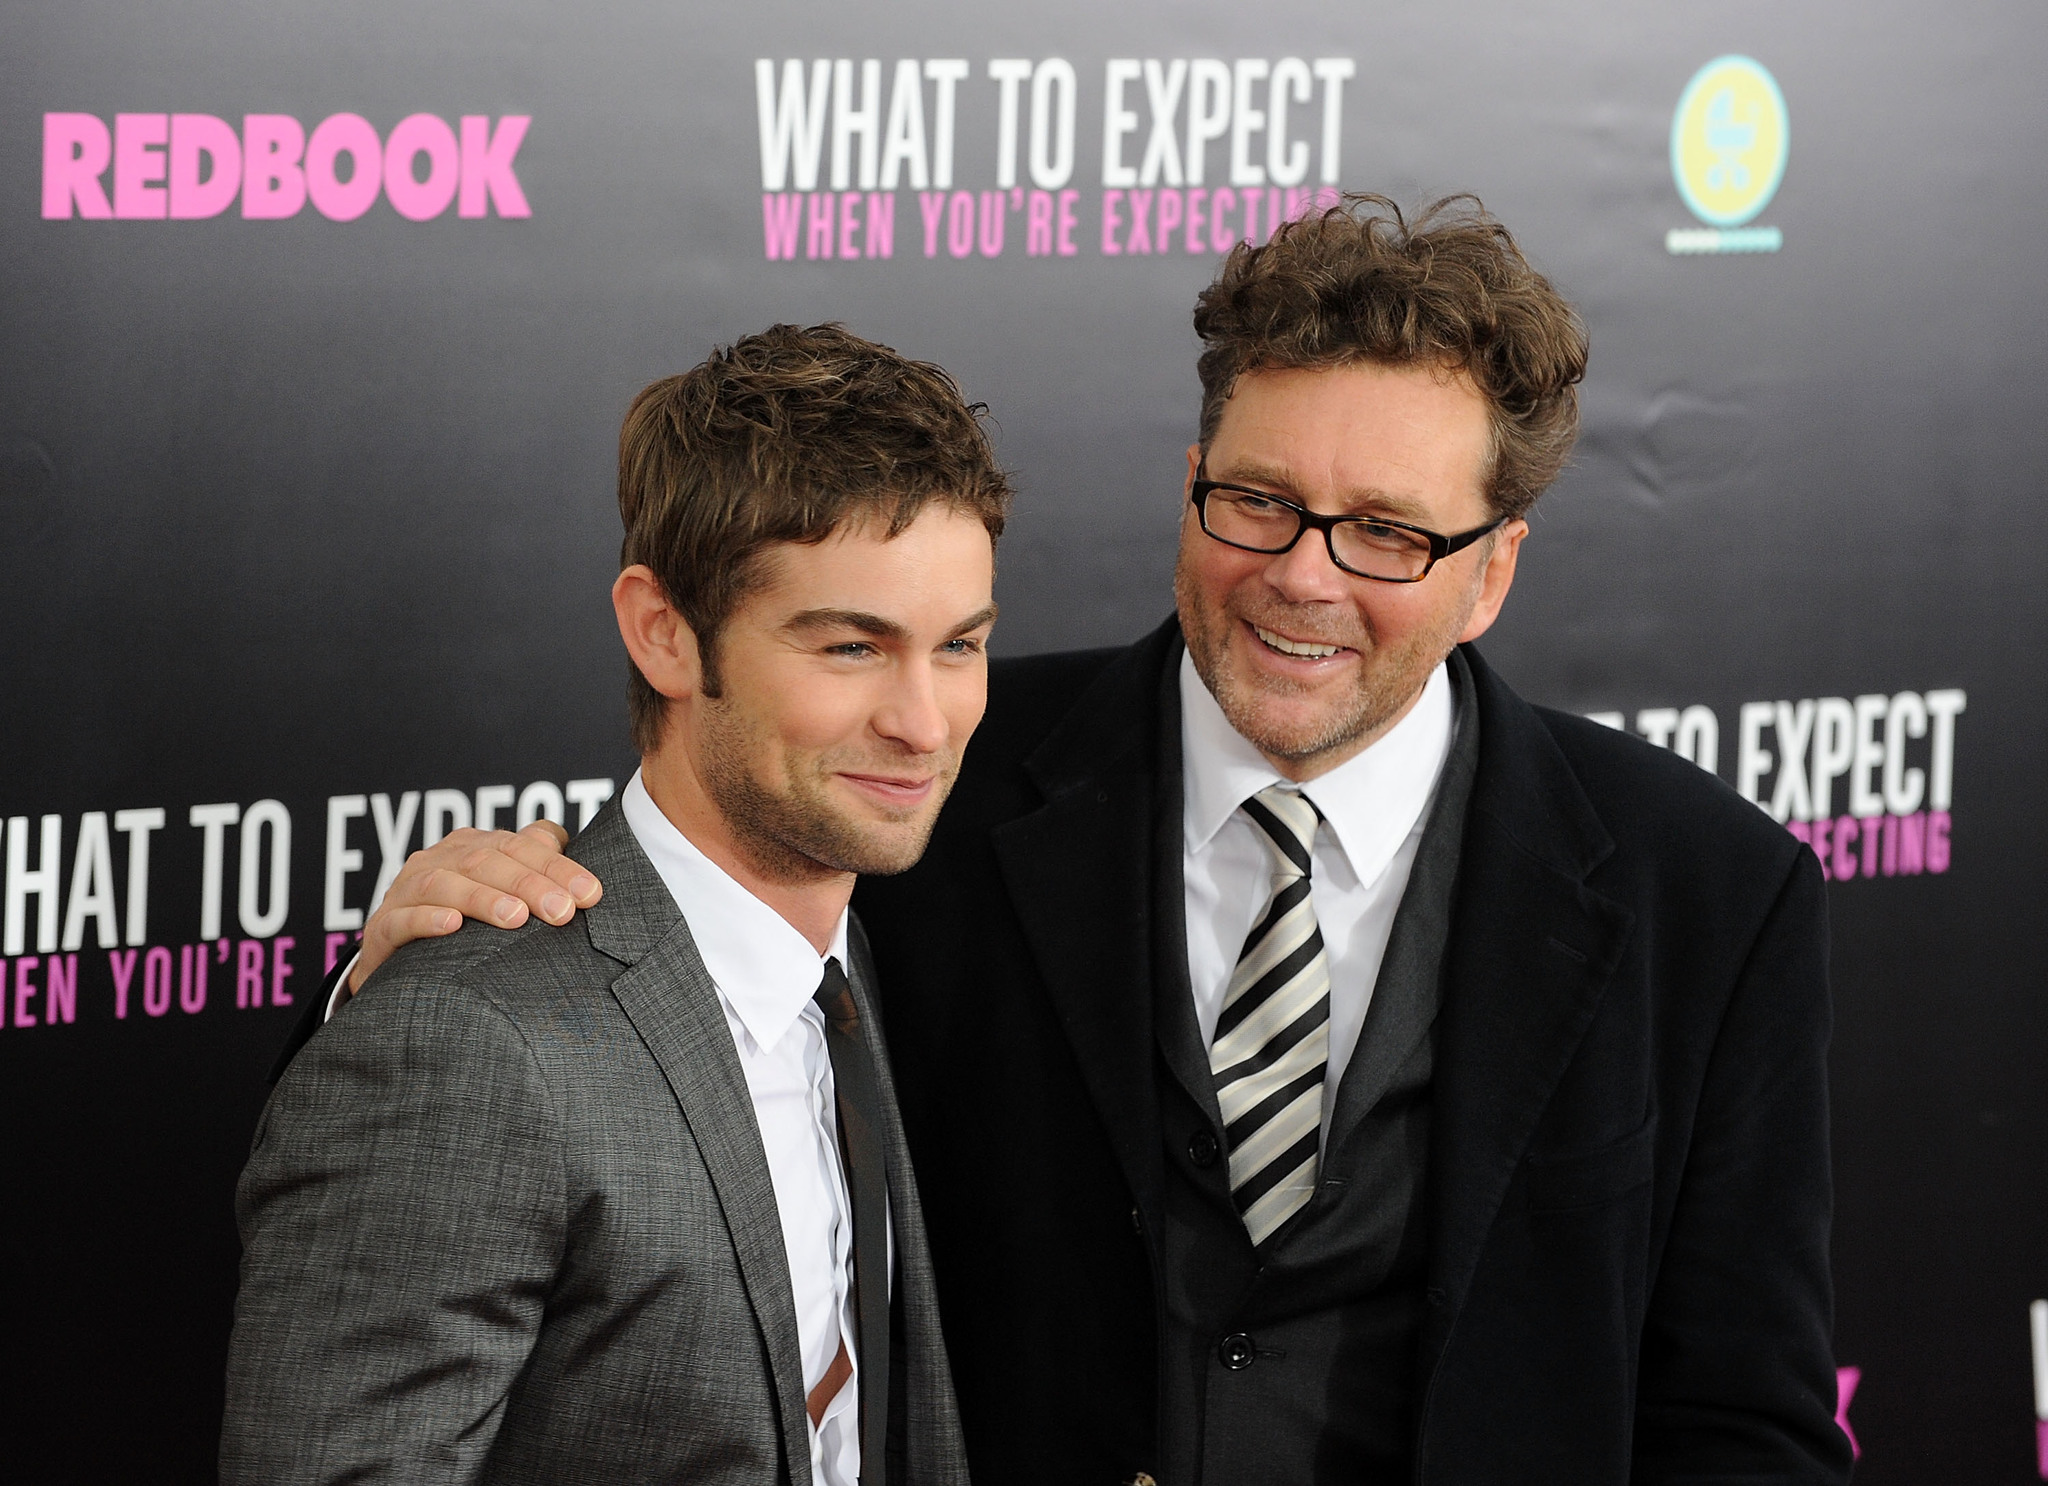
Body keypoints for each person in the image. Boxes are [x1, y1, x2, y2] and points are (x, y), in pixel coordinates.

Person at [288, 198, 1850, 1484]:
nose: (1303, 576)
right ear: (1189, 487)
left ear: (1493, 570)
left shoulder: (1704, 891)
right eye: (1257, 501)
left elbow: (1743, 1425)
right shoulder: (929, 780)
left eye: (1385, 531)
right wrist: (423, 954)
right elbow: (635, 1007)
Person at [223, 324, 1008, 1485]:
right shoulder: (471, 1044)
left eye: (959, 646)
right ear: (663, 632)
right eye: (850, 646)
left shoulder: (851, 960)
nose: (924, 720)